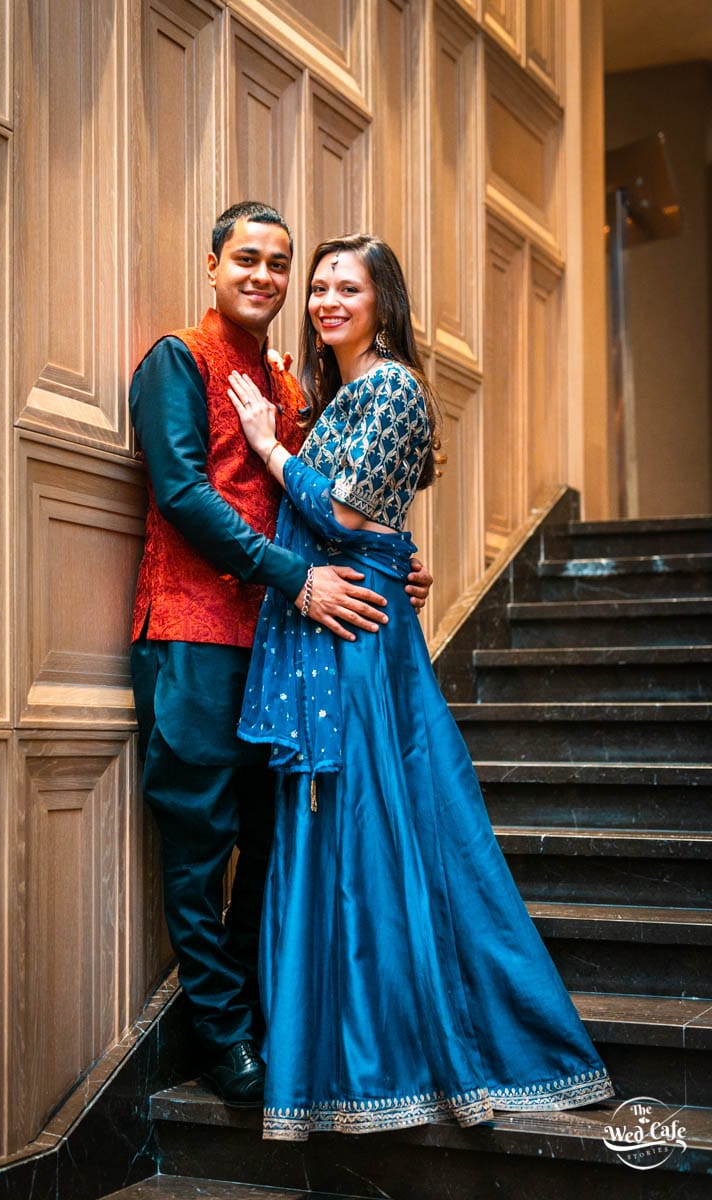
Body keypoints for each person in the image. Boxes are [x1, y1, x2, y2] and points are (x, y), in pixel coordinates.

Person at [227, 233, 615, 1140]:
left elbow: (349, 511)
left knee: (373, 832)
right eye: (317, 286)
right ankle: (344, 1061)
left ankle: (396, 1053)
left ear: (382, 301)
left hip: (358, 642)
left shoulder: (392, 385)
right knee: (343, 832)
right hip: (340, 628)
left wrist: (266, 446)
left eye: (344, 287)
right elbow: (363, 523)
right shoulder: (344, 393)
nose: (324, 299)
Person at [128, 203, 433, 1107]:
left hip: (279, 649)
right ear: (212, 264)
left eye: (279, 263)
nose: (264, 276)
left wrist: (396, 564)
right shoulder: (176, 360)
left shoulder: (291, 386)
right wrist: (299, 578)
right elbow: (182, 493)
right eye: (246, 259)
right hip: (190, 633)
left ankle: (260, 1017)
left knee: (269, 841)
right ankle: (224, 1041)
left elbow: (332, 501)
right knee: (198, 843)